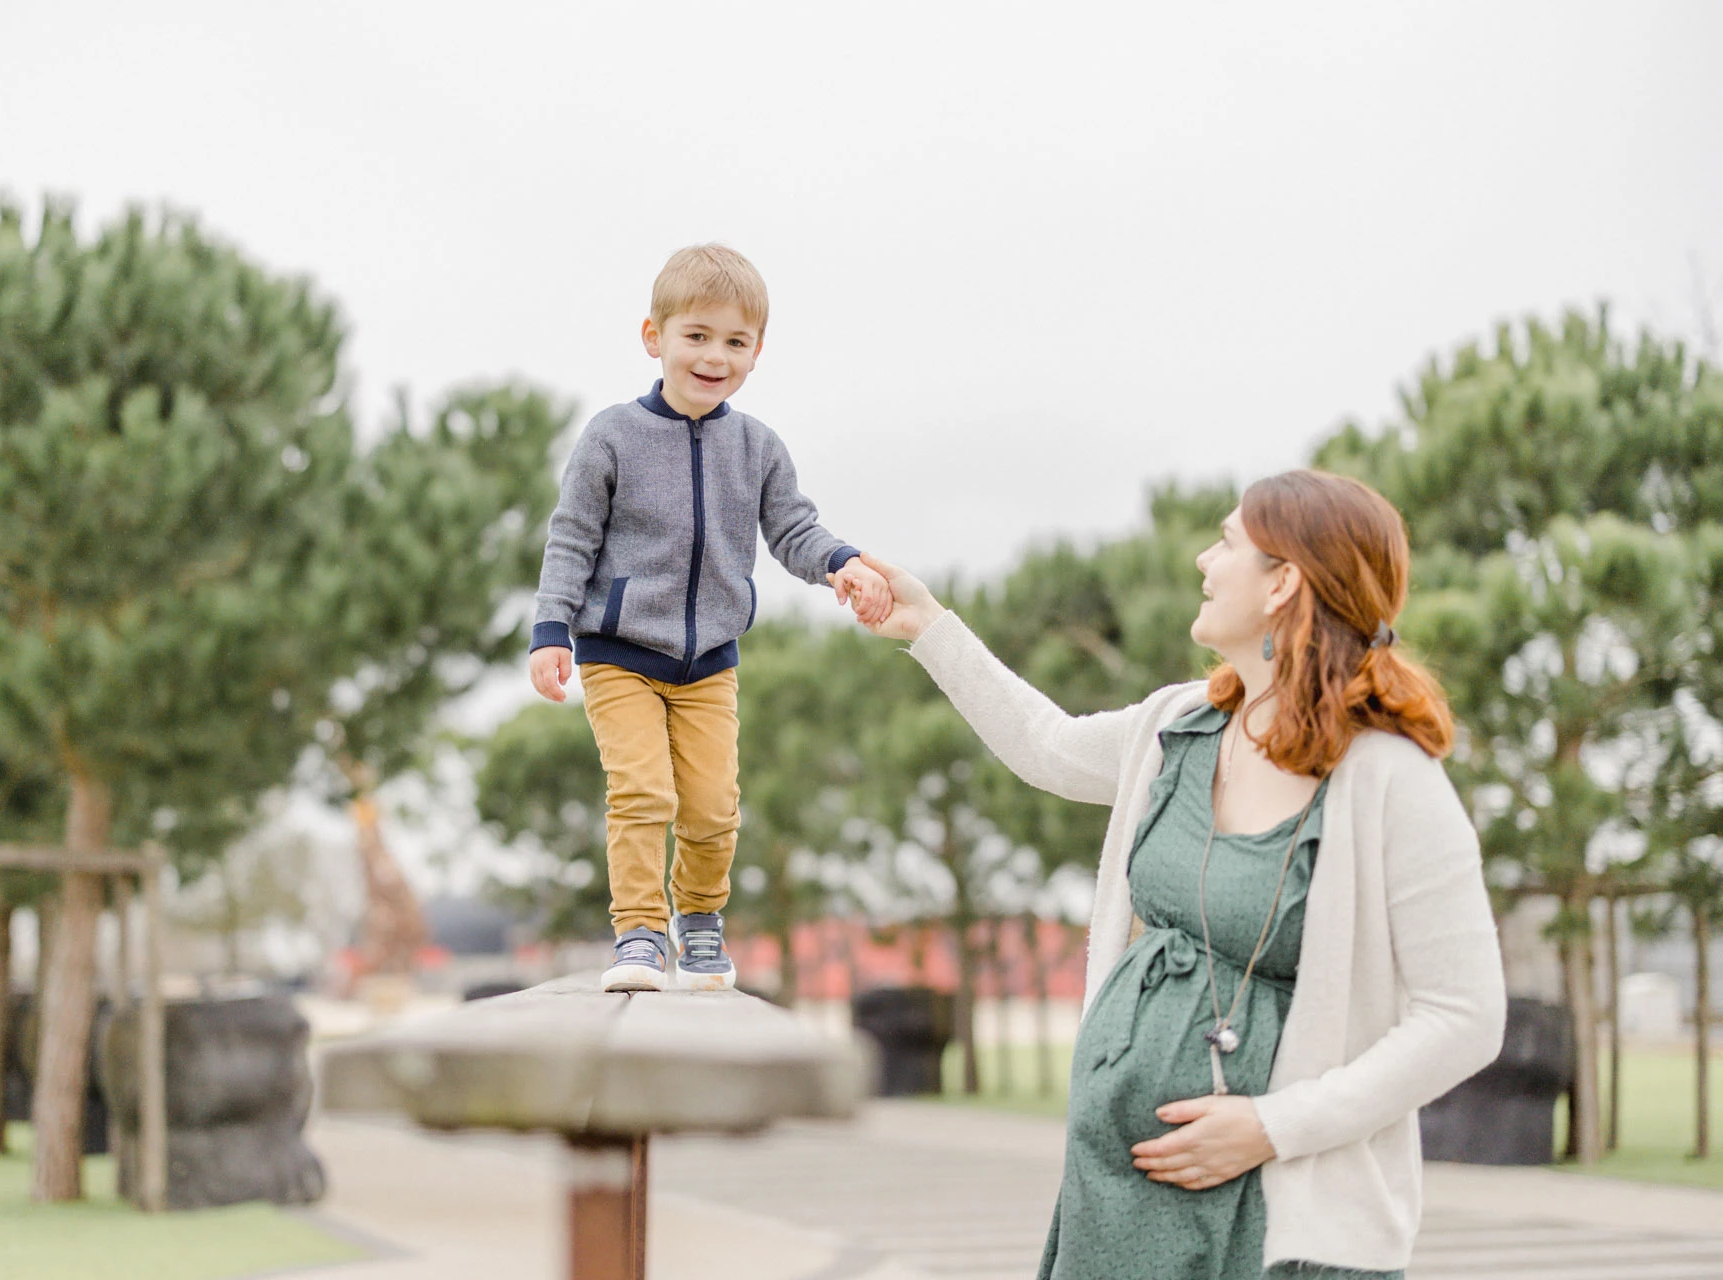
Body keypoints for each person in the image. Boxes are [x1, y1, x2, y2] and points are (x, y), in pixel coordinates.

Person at [846, 470, 1506, 1278]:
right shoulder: (1177, 726)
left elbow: (1466, 1016)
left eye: (1226, 542)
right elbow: (1047, 747)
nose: (1203, 560)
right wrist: (928, 626)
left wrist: (1273, 1127)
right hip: (1118, 1203)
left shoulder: (1391, 780)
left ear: (1283, 583)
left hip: (1278, 1218)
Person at [530, 243, 892, 994]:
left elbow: (793, 529)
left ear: (757, 352)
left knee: (712, 807)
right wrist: (550, 629)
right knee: (643, 793)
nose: (714, 356)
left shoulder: (757, 448)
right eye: (696, 335)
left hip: (709, 665)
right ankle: (638, 932)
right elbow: (571, 537)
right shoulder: (611, 437)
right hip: (618, 653)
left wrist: (841, 562)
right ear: (653, 336)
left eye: (735, 341)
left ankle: (698, 921)